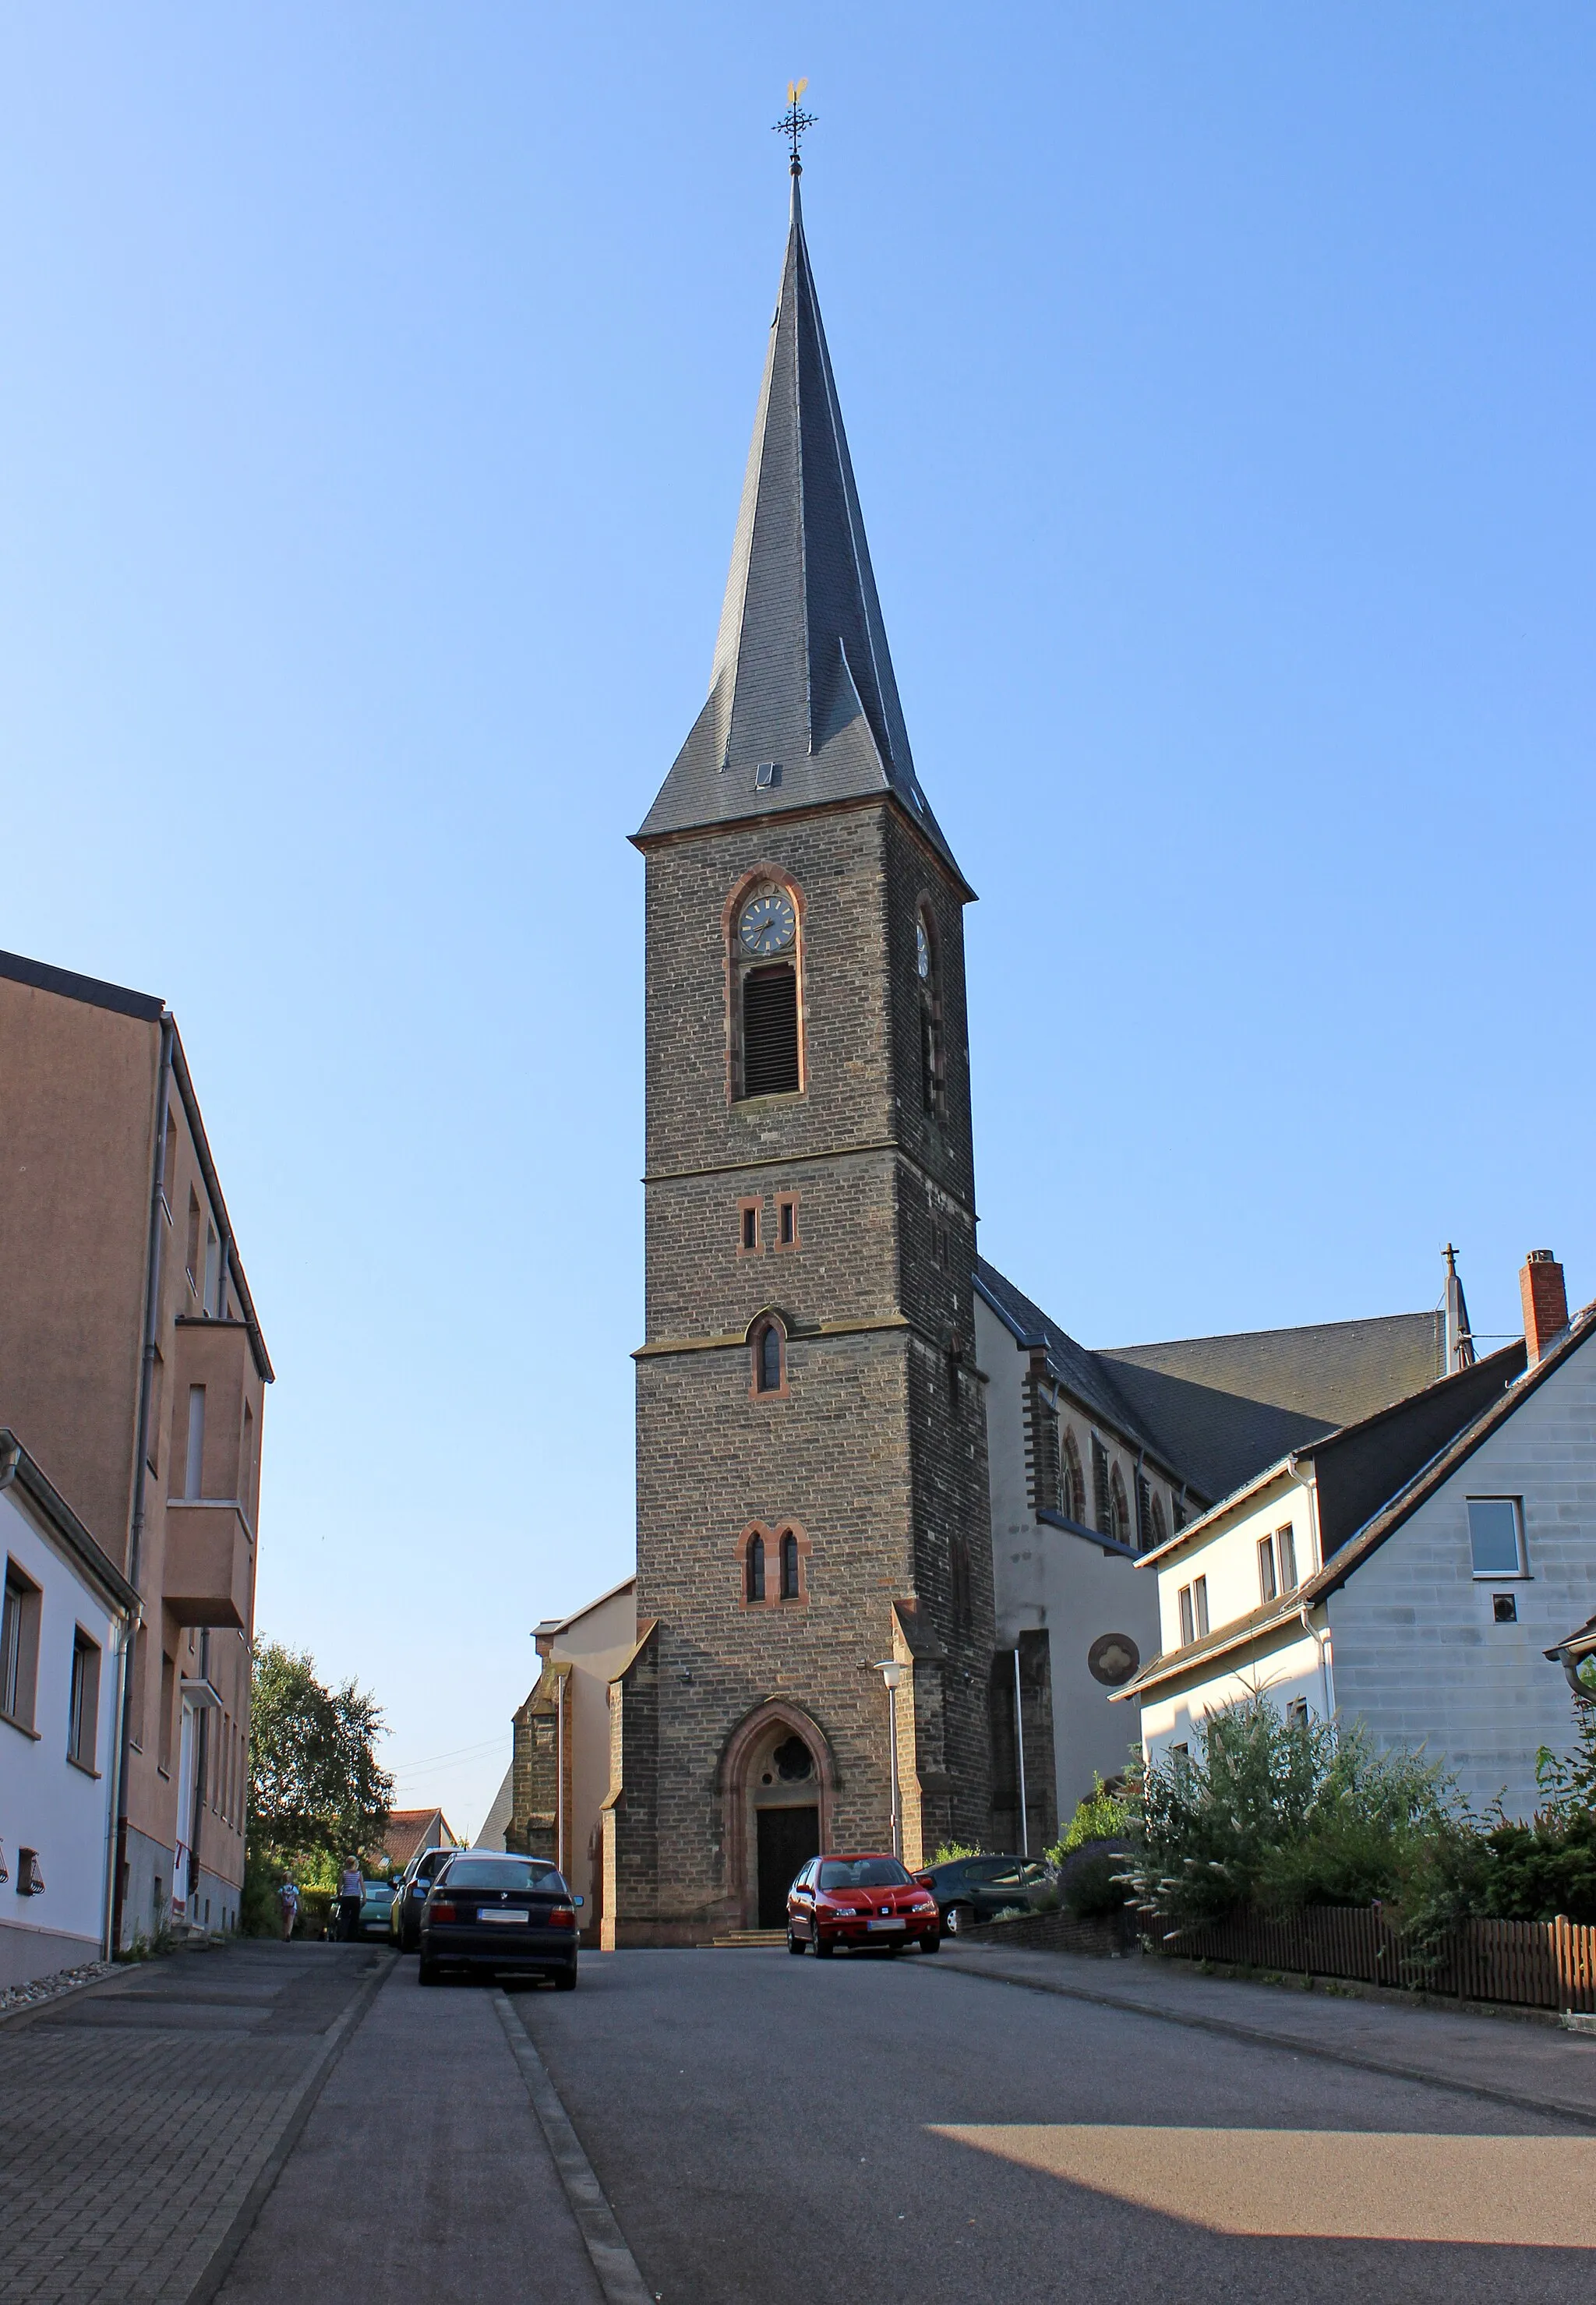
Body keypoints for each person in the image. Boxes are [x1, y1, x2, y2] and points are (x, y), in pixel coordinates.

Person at [337, 1856, 365, 1941]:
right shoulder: (359, 1874)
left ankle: (343, 1935)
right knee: (355, 1918)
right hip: (355, 1898)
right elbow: (362, 1886)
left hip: (346, 1897)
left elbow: (339, 1886)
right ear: (355, 1863)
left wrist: (339, 1895)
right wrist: (364, 1897)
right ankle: (353, 1936)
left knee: (344, 1917)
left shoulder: (344, 1873)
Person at [277, 1877, 300, 1943]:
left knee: (285, 1921)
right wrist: (300, 1907)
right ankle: (288, 1934)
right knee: (291, 1921)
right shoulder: (294, 1888)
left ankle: (285, 1935)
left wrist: (277, 1907)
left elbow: (278, 1898)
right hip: (293, 1907)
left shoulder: (282, 1889)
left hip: (284, 1907)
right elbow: (297, 1898)